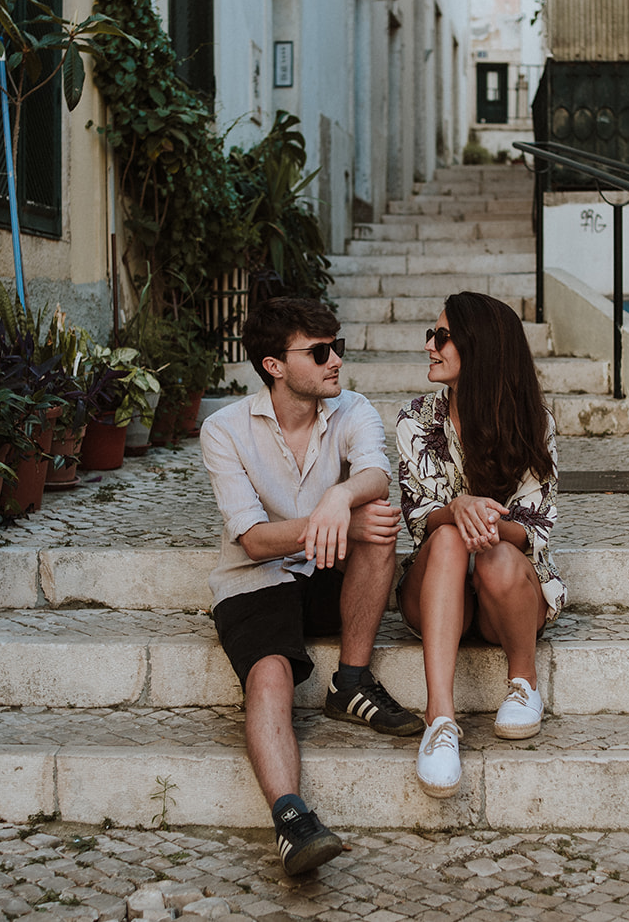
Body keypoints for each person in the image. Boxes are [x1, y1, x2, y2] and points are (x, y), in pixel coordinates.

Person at [200, 297, 425, 875]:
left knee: (377, 519)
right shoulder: (224, 429)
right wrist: (330, 523)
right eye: (320, 352)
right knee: (270, 672)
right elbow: (251, 539)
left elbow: (376, 471)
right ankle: (292, 819)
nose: (336, 362)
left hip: (328, 570)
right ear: (275, 365)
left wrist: (338, 499)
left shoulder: (352, 409)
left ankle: (350, 681)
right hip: (256, 579)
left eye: (338, 348)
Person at [394, 291, 563, 799]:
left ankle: (524, 681)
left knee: (494, 552)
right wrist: (457, 511)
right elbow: (419, 519)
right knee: (446, 537)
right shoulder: (415, 420)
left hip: (501, 595)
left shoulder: (534, 422)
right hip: (436, 592)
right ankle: (440, 719)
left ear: (480, 348)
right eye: (432, 334)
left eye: (442, 336)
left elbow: (537, 526)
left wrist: (481, 513)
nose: (430, 344)